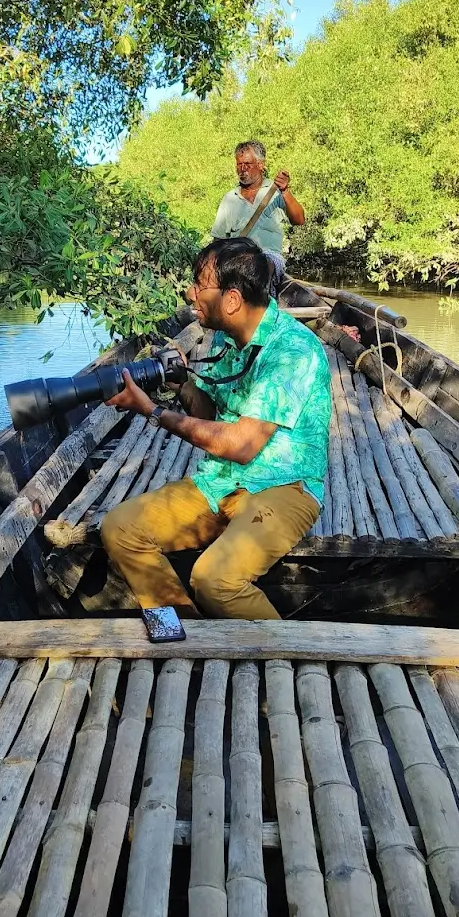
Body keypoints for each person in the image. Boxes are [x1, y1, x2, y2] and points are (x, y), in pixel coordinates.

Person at [99, 237, 331, 620]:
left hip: (284, 486)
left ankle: (287, 657)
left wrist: (155, 412)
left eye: (199, 284)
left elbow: (241, 445)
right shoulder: (227, 336)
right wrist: (182, 384)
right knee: (120, 528)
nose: (190, 292)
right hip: (221, 482)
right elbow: (208, 408)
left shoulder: (293, 351)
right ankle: (179, 630)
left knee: (214, 579)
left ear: (232, 299)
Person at [210, 140, 305, 292]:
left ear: (261, 165)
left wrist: (285, 191)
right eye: (239, 165)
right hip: (239, 261)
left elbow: (299, 220)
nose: (242, 169)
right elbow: (217, 242)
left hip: (270, 260)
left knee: (261, 265)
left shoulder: (276, 192)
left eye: (247, 164)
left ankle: (261, 306)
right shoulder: (229, 199)